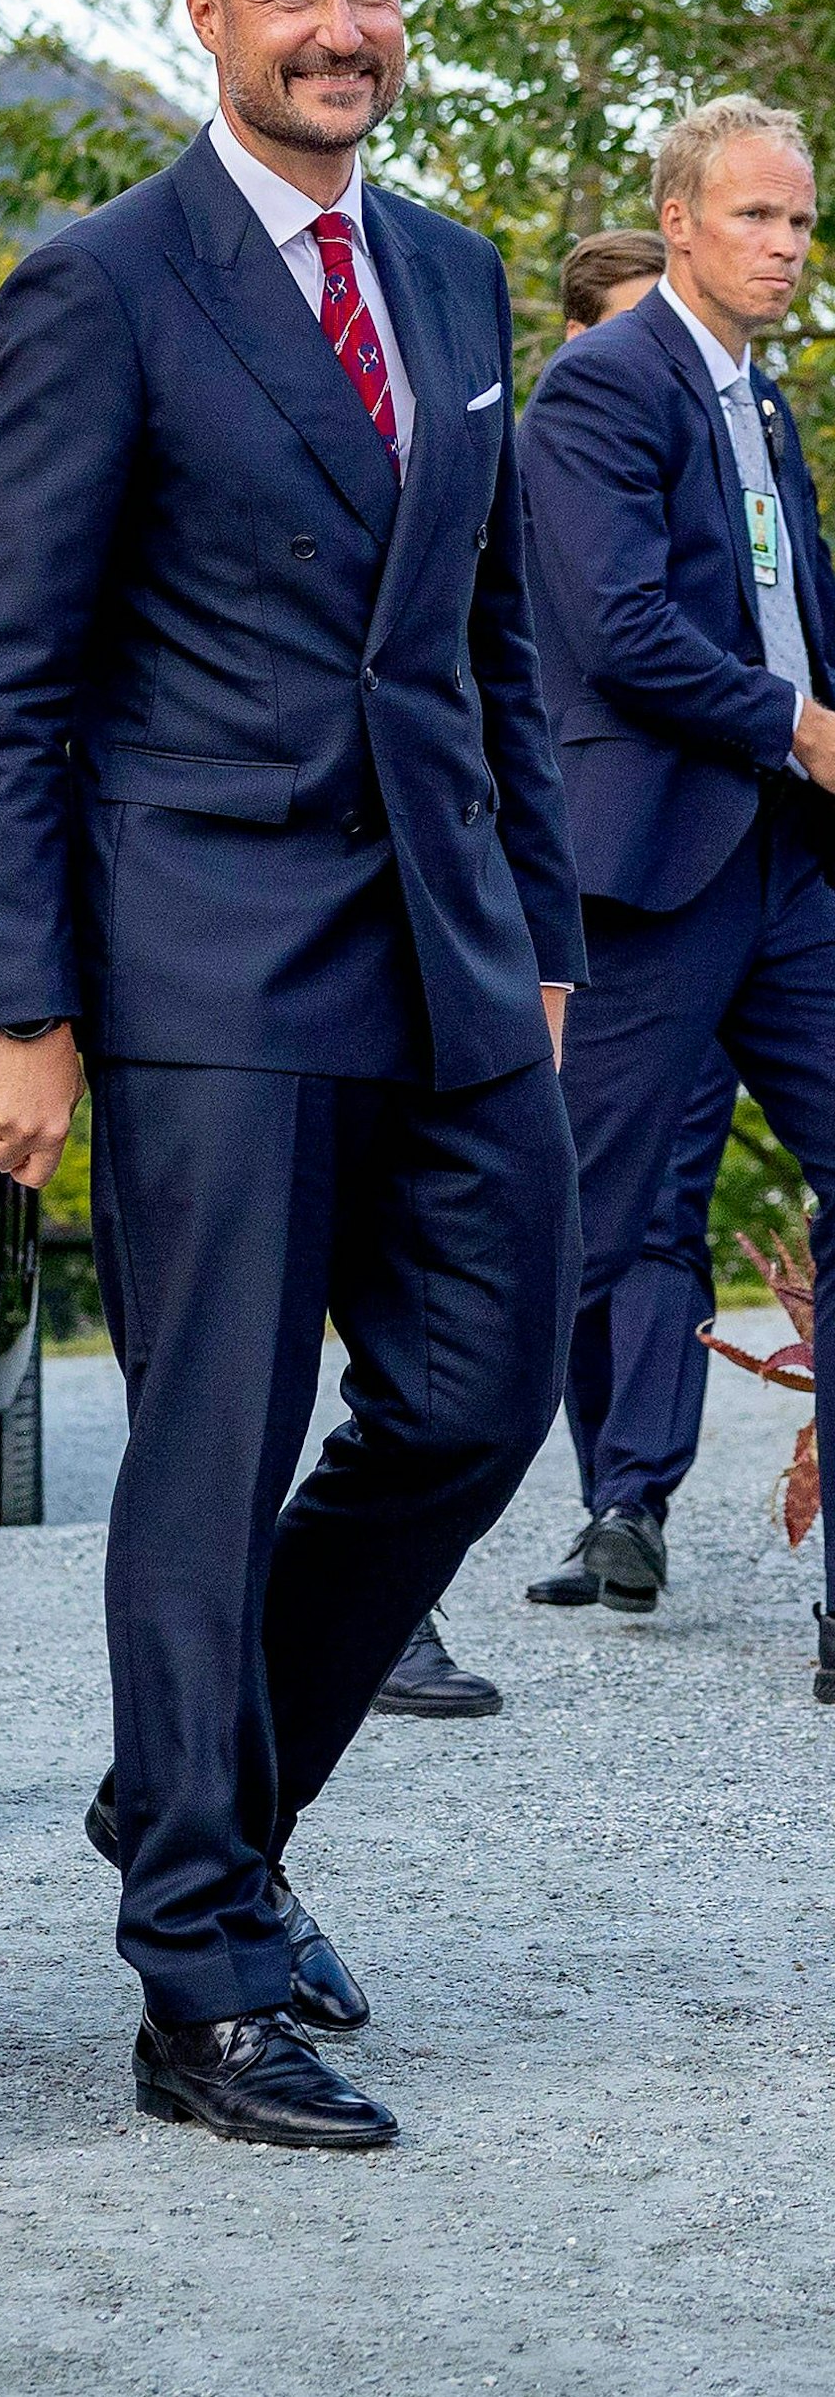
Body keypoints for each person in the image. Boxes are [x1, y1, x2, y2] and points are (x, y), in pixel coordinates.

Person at [0, 0, 584, 2151]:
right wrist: (10, 994)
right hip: (203, 952)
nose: (341, 27)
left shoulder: (450, 270)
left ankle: (184, 1797)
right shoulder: (97, 285)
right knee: (207, 1460)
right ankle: (199, 1968)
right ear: (203, 10)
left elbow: (487, 632)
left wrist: (551, 944)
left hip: (450, 949)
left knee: (477, 1394)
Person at [518, 97, 835, 1695]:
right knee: (559, 1224)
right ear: (682, 218)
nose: (790, 246)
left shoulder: (757, 403)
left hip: (789, 863)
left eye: (802, 220)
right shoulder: (599, 391)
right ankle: (373, 1553)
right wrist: (804, 725)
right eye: (762, 217)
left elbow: (795, 610)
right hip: (650, 869)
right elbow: (623, 631)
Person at [526, 228, 742, 1611]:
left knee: (667, 1195)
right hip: (594, 872)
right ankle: (606, 1475)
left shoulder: (731, 433)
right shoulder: (553, 449)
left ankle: (632, 1492)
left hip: (730, 860)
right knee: (593, 1200)